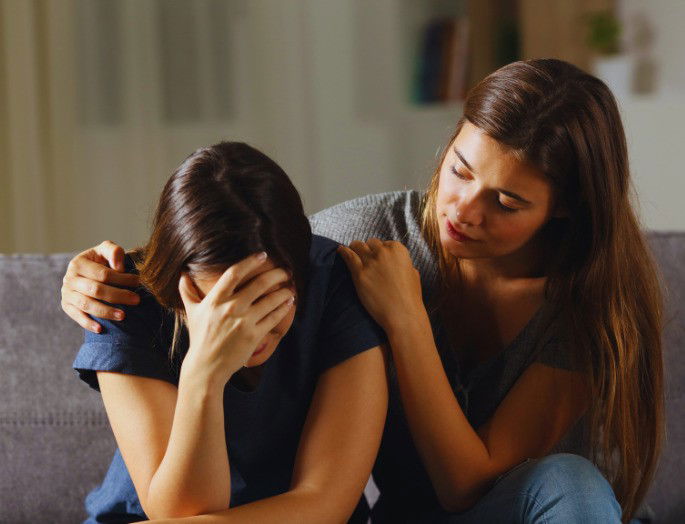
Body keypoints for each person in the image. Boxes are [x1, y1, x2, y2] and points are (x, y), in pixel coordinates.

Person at [62, 59, 664, 523]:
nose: (464, 210)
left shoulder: (593, 308)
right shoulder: (359, 239)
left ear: (564, 211)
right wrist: (88, 276)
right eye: (459, 168)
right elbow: (254, 238)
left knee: (572, 481)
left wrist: (405, 321)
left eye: (506, 202)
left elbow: (464, 485)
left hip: (519, 511)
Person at [66, 141, 388, 522]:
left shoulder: (335, 283)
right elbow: (181, 511)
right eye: (218, 303)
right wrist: (205, 372)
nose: (246, 330)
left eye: (266, 300)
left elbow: (324, 504)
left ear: (300, 274)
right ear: (177, 283)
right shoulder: (124, 300)